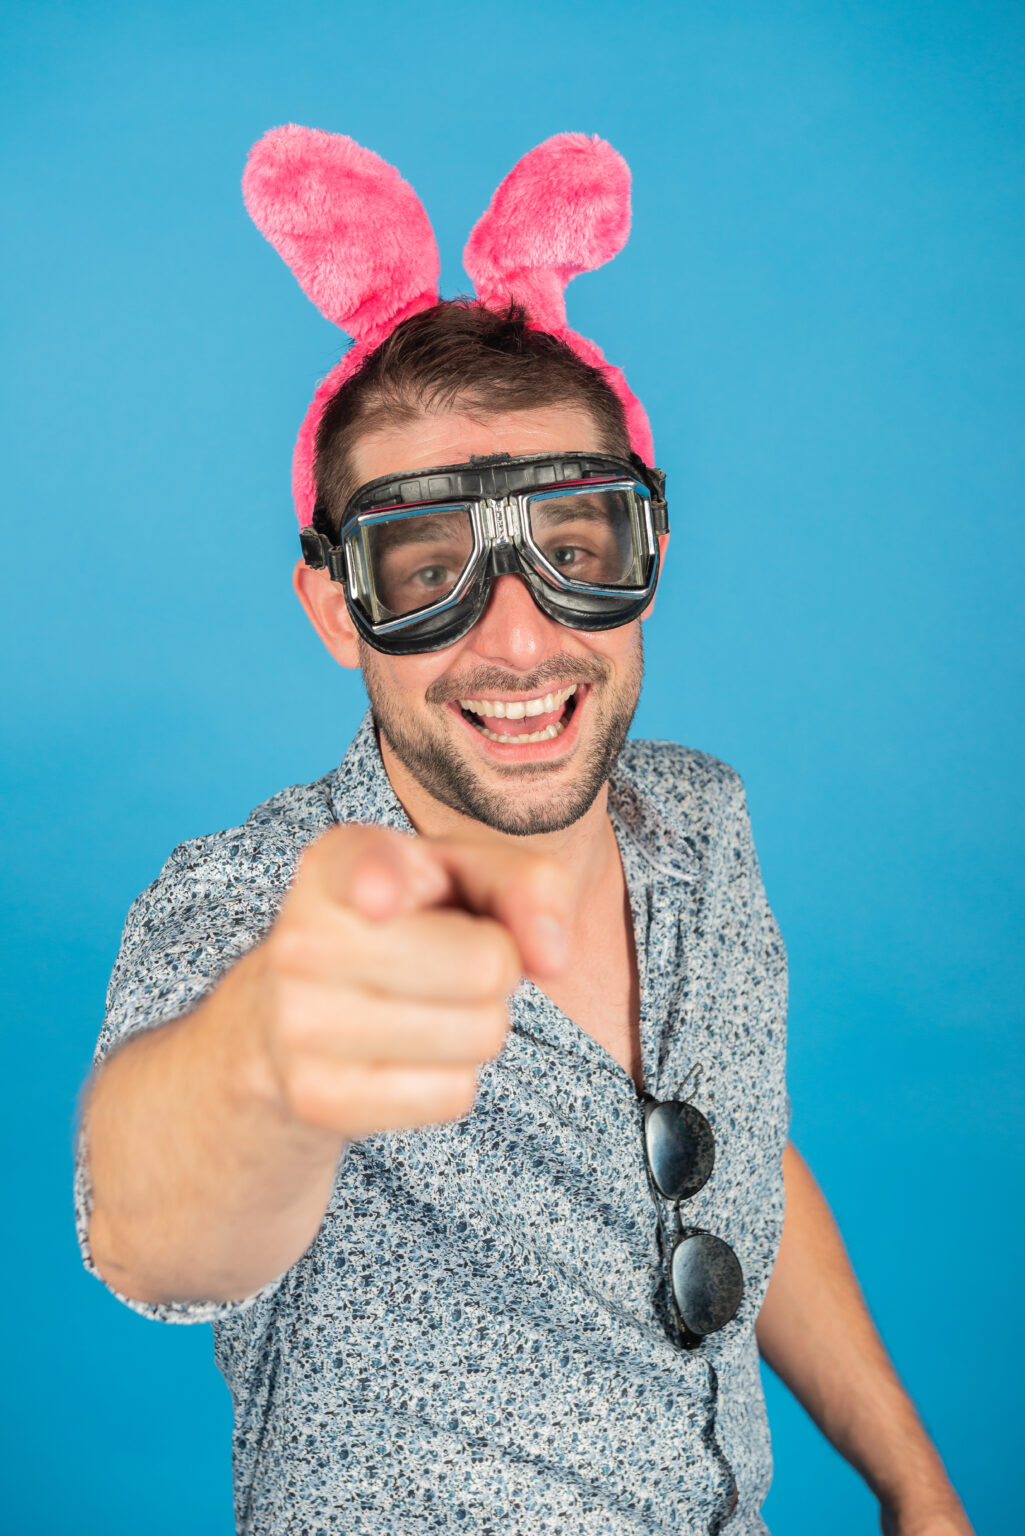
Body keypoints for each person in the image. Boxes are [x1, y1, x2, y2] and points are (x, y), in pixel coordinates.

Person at [74, 127, 973, 1536]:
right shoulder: (254, 898)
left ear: (648, 562)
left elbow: (747, 1163)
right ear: (335, 609)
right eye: (427, 571)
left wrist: (916, 1491)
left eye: (573, 548)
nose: (515, 634)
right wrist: (265, 1061)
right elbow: (147, 1228)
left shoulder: (701, 825)